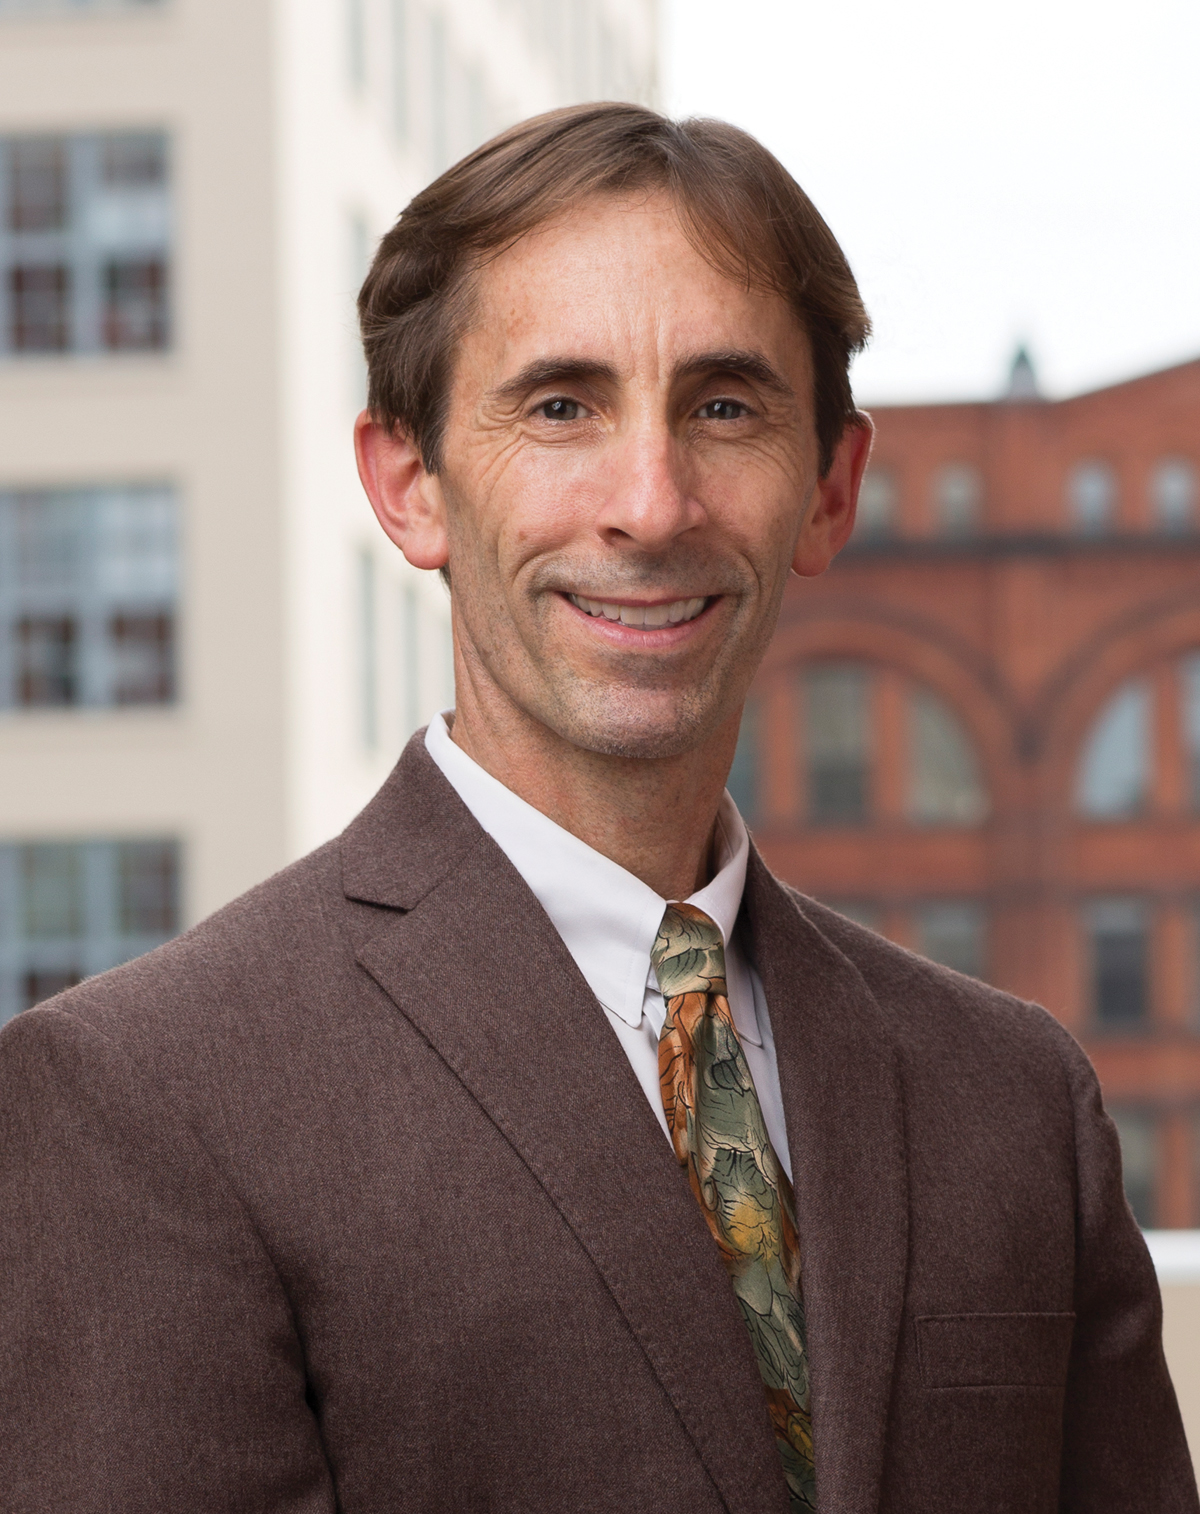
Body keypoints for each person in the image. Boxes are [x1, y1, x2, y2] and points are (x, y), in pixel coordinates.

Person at [1, 103, 1195, 1514]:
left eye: (726, 405)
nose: (652, 500)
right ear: (409, 485)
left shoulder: (1015, 1099)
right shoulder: (146, 1100)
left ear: (830, 489)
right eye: (561, 405)